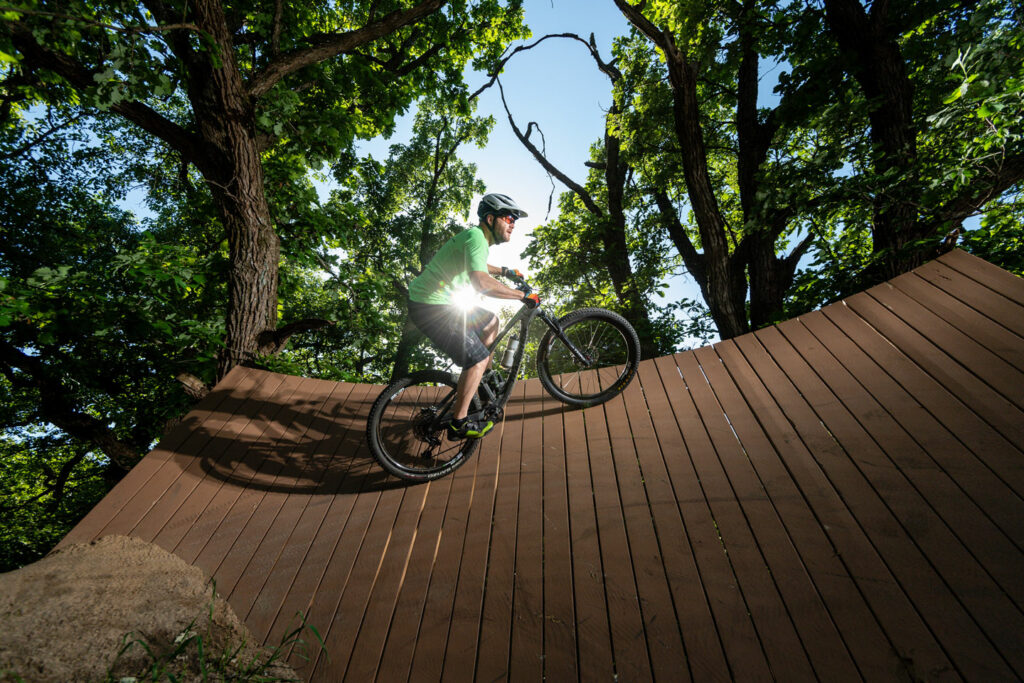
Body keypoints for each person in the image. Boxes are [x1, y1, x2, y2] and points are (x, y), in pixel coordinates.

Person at [407, 193, 541, 440]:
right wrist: (521, 296)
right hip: (431, 307)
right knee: (477, 358)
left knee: (491, 322)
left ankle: (481, 381)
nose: (513, 224)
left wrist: (505, 270)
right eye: (509, 218)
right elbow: (479, 282)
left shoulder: (475, 238)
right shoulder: (477, 238)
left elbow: (476, 264)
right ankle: (458, 423)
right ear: (491, 218)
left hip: (435, 303)